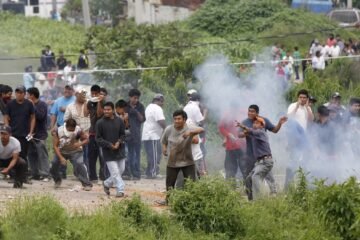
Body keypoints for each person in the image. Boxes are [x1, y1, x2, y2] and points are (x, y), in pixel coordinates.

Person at [240, 105, 287, 200]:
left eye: (253, 111)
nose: (250, 113)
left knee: (261, 175)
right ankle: (251, 199)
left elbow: (275, 130)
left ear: (257, 113)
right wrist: (245, 132)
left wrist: (280, 123)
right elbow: (239, 134)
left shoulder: (261, 126)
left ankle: (268, 195)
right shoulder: (246, 122)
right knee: (249, 178)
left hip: (263, 157)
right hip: (251, 155)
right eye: (249, 111)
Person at [161, 110, 204, 203]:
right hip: (172, 160)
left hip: (187, 160)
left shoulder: (189, 127)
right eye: (175, 119)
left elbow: (201, 129)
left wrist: (190, 132)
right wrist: (164, 149)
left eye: (179, 119)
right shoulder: (169, 129)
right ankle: (168, 200)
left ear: (184, 119)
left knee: (191, 182)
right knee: (170, 184)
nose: (176, 121)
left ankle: (192, 201)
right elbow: (164, 141)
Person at [50, 118, 92, 190]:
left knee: (79, 163)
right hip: (62, 151)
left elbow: (87, 139)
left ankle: (86, 184)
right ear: (66, 126)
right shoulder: (59, 131)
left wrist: (79, 144)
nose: (72, 131)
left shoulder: (78, 130)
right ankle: (57, 180)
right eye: (70, 130)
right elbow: (55, 146)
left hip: (75, 151)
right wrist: (61, 158)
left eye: (73, 129)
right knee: (54, 164)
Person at [237, 117, 274, 200]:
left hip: (266, 161)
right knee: (248, 179)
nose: (254, 124)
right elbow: (242, 134)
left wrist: (242, 126)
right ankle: (251, 201)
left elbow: (250, 131)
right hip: (259, 162)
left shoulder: (261, 132)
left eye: (257, 123)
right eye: (254, 123)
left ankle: (260, 200)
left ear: (262, 126)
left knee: (255, 177)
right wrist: (242, 131)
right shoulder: (254, 134)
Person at [96, 102, 126, 197]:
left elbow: (123, 134)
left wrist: (119, 142)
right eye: (105, 109)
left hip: (120, 150)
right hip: (108, 152)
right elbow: (98, 139)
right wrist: (109, 144)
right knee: (115, 172)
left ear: (113, 110)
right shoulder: (100, 123)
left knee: (121, 170)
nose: (106, 111)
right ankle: (120, 190)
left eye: (108, 109)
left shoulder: (120, 121)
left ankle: (107, 183)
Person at [4, 85, 35, 164]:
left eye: (21, 92)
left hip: (25, 134)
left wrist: (31, 132)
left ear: (24, 94)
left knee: (24, 154)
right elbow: (6, 117)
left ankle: (23, 173)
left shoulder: (29, 104)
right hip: (13, 134)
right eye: (17, 92)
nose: (19, 94)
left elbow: (33, 118)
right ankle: (12, 172)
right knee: (11, 154)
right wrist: (7, 131)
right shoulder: (10, 104)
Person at [26, 87, 50, 181]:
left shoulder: (42, 104)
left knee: (42, 154)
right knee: (31, 154)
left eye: (28, 94)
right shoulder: (27, 105)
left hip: (40, 134)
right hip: (30, 134)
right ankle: (34, 173)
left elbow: (40, 116)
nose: (27, 96)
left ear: (32, 95)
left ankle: (45, 174)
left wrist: (33, 106)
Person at [64, 88, 91, 169]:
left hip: (88, 134)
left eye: (85, 94)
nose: (83, 96)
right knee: (78, 156)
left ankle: (87, 174)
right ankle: (80, 172)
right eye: (82, 94)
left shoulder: (89, 105)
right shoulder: (70, 106)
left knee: (87, 155)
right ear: (76, 95)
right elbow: (65, 120)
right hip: (75, 135)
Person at [142, 93, 166, 179]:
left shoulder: (149, 107)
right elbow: (161, 121)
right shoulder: (157, 108)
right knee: (155, 155)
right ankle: (153, 173)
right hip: (153, 135)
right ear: (159, 101)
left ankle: (149, 172)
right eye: (162, 102)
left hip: (147, 135)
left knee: (151, 155)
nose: (163, 104)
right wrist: (166, 129)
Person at [218, 108, 247, 180]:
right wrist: (228, 134)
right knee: (230, 170)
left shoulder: (244, 113)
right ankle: (231, 189)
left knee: (245, 170)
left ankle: (248, 189)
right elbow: (221, 127)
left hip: (243, 147)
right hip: (230, 147)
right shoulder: (227, 114)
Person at [87, 85, 106, 182]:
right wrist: (85, 99)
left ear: (99, 93)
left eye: (96, 93)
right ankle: (93, 177)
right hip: (92, 133)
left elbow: (99, 114)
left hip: (102, 135)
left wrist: (99, 101)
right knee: (91, 157)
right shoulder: (90, 102)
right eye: (92, 93)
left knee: (103, 157)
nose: (94, 95)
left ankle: (103, 177)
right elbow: (85, 113)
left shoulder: (104, 102)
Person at [125, 89, 145, 180]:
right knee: (127, 155)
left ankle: (136, 174)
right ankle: (127, 174)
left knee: (136, 156)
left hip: (136, 135)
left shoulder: (140, 106)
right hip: (126, 134)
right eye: (134, 98)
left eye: (137, 98)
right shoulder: (125, 106)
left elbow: (142, 119)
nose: (136, 100)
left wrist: (136, 112)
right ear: (130, 97)